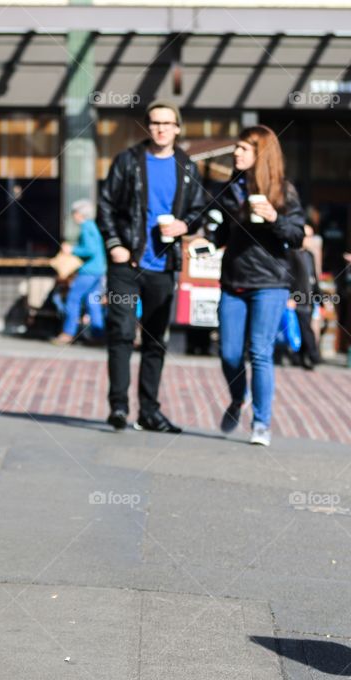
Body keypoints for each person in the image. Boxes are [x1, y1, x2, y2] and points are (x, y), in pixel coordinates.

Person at [97, 100, 206, 433]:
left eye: (167, 123)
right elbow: (105, 204)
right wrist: (115, 244)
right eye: (155, 122)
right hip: (127, 263)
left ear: (177, 128)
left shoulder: (187, 166)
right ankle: (118, 407)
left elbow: (199, 208)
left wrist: (185, 226)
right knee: (123, 333)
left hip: (164, 263)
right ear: (148, 127)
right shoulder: (128, 161)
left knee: (156, 340)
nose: (161, 128)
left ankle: (149, 411)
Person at [210, 125, 305, 447]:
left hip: (269, 283)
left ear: (260, 154)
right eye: (236, 147)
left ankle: (261, 423)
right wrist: (208, 233)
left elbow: (297, 236)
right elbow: (220, 235)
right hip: (233, 281)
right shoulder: (230, 190)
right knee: (228, 353)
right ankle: (239, 397)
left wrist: (273, 218)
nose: (236, 153)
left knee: (260, 353)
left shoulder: (283, 192)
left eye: (243, 148)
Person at [53, 199, 106, 345]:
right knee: (93, 302)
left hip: (88, 271)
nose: (73, 216)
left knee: (73, 299)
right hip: (98, 270)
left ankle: (68, 333)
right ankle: (98, 334)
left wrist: (72, 249)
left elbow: (90, 250)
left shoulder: (86, 227)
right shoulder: (93, 226)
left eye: (74, 213)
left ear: (79, 214)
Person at [288, 224, 322, 369]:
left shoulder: (309, 255)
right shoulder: (291, 254)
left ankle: (300, 357)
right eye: (308, 236)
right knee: (304, 327)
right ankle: (314, 356)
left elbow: (313, 277)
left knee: (304, 327)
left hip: (309, 297)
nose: (311, 240)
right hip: (297, 297)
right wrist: (290, 297)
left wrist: (319, 297)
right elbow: (288, 277)